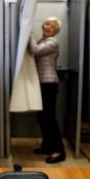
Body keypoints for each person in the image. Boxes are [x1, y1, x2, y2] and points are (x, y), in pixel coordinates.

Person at [28, 16, 66, 163]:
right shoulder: (42, 41)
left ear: (55, 31)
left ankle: (58, 151)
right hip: (41, 83)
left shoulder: (53, 42)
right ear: (43, 26)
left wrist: (28, 33)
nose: (49, 27)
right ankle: (47, 146)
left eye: (53, 26)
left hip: (49, 83)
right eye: (47, 24)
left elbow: (36, 51)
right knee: (42, 118)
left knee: (49, 118)